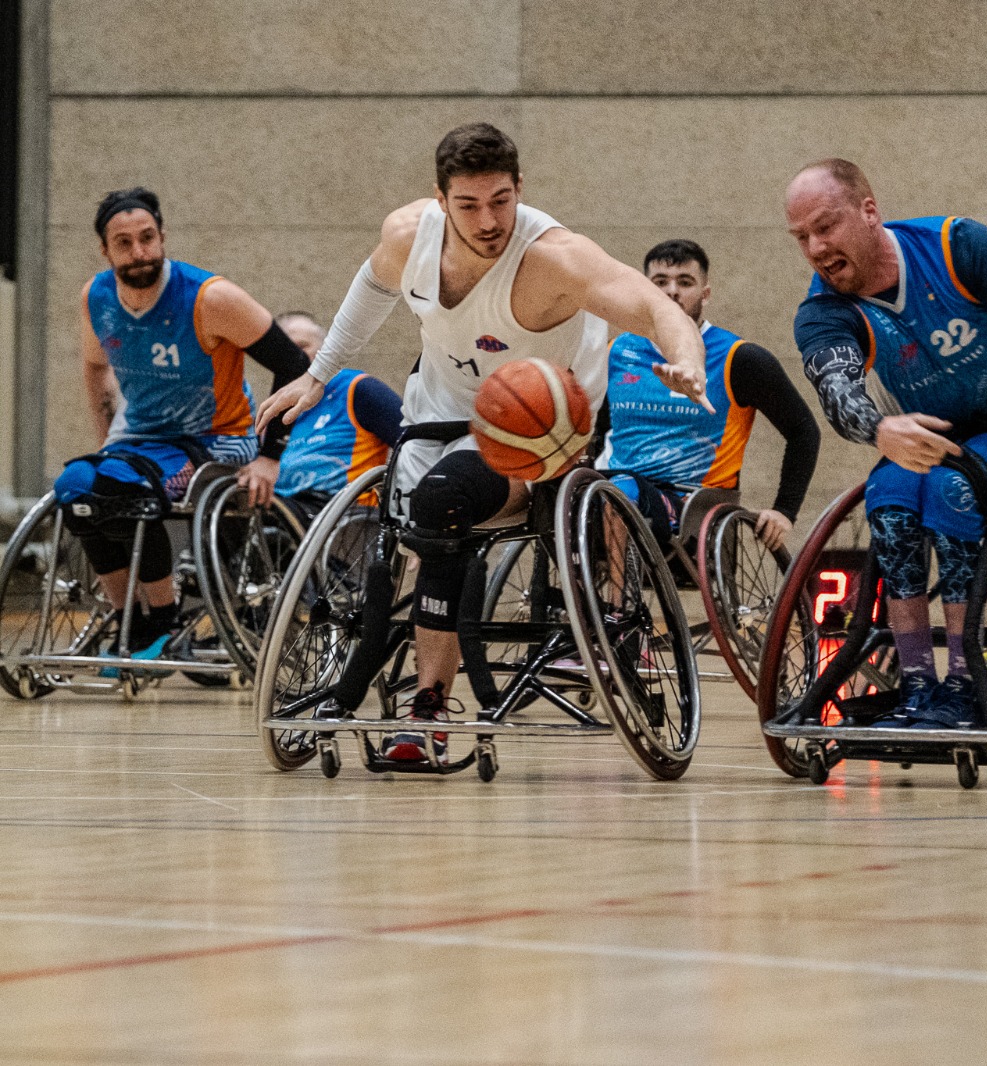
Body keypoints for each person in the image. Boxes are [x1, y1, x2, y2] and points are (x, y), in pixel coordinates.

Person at [258, 122, 708, 762]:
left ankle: (428, 706)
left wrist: (687, 361)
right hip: (436, 410)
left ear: (519, 190)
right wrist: (317, 372)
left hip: (535, 432)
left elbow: (656, 309)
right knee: (408, 529)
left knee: (443, 504)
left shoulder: (555, 258)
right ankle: (366, 681)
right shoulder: (409, 235)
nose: (488, 218)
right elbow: (374, 284)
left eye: (501, 200)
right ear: (440, 201)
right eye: (469, 205)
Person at [786, 158, 987, 728]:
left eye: (825, 226)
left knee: (951, 489)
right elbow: (837, 393)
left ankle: (962, 677)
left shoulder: (957, 247)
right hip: (936, 437)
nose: (814, 246)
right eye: (802, 236)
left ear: (869, 211)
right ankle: (918, 683)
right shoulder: (824, 311)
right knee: (891, 491)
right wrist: (879, 429)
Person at [59, 187, 308, 659]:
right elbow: (94, 368)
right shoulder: (96, 296)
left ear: (163, 236)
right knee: (76, 488)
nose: (139, 252)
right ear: (105, 250)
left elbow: (293, 364)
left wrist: (270, 456)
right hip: (140, 442)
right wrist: (102, 440)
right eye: (124, 242)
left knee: (123, 490)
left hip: (217, 440)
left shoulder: (211, 298)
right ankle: (127, 620)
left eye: (147, 238)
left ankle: (163, 622)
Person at [597, 239, 819, 551]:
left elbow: (804, 431)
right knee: (555, 496)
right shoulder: (616, 352)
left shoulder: (739, 358)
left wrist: (785, 511)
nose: (672, 291)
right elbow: (596, 431)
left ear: (706, 293)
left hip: (694, 509)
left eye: (685, 282)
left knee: (621, 492)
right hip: (616, 489)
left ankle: (617, 602)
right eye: (660, 282)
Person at [270, 311, 403, 505]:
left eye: (302, 346)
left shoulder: (358, 389)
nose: (294, 355)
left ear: (324, 350)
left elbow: (413, 442)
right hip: (283, 513)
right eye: (286, 349)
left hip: (341, 513)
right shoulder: (276, 408)